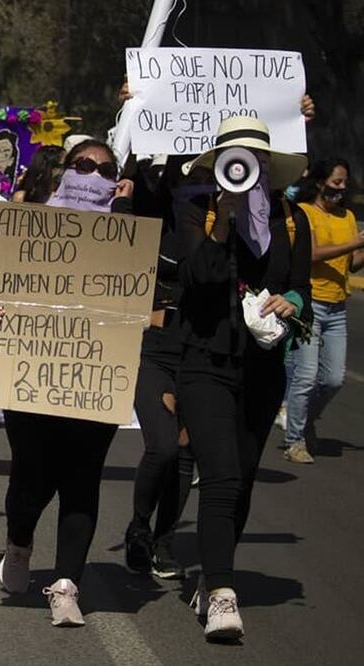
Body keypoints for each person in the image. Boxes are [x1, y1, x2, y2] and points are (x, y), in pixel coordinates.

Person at [0, 138, 135, 627]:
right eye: (82, 165)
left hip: (94, 374)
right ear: (65, 170)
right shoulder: (26, 226)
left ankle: (67, 584)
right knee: (32, 476)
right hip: (31, 373)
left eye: (104, 169)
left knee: (81, 478)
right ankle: (20, 541)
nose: (92, 175)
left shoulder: (131, 235)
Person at [174, 116, 310, 641]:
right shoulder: (197, 211)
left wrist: (289, 302)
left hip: (261, 368)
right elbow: (198, 277)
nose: (245, 169)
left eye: (254, 161)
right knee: (223, 475)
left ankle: (211, 576)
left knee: (243, 480)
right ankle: (224, 595)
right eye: (235, 159)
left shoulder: (292, 218)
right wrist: (226, 219)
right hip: (204, 362)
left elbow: (303, 293)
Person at [123, 155, 194, 581]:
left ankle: (164, 541)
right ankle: (138, 527)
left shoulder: (222, 226)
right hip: (154, 350)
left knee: (187, 452)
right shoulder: (145, 218)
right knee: (164, 445)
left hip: (203, 352)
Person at [282, 159, 362, 463]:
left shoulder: (349, 217)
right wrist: (353, 243)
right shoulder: (305, 213)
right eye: (336, 182)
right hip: (310, 304)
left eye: (344, 183)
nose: (341, 189)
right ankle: (295, 440)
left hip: (337, 307)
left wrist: (360, 248)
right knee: (305, 376)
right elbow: (311, 254)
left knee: (333, 379)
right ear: (320, 183)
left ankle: (305, 419)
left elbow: (352, 262)